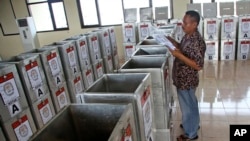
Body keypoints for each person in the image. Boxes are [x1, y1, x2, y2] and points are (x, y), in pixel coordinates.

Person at [167, 10, 206, 141]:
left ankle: (191, 134)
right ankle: (191, 124)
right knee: (189, 104)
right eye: (183, 22)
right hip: (182, 79)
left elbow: (198, 65)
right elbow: (182, 49)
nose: (182, 25)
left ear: (194, 24)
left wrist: (178, 55)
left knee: (188, 106)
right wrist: (171, 41)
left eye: (185, 23)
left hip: (187, 80)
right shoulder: (188, 36)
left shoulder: (197, 41)